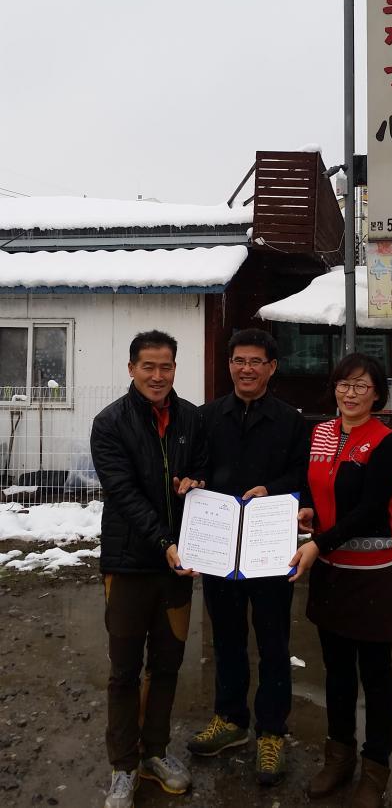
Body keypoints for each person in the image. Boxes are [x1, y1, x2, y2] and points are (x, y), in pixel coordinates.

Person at [184, 328, 309, 786]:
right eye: (239, 360)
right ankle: (231, 719)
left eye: (256, 361)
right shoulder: (207, 417)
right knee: (227, 639)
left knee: (273, 642)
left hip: (268, 548)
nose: (246, 369)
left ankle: (272, 731)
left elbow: (302, 475)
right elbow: (196, 467)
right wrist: (193, 482)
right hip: (219, 548)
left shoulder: (291, 421)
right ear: (229, 365)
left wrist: (271, 490)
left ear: (272, 368)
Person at [91, 330, 207, 808]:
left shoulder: (191, 418)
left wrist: (196, 481)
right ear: (132, 369)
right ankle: (123, 765)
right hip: (130, 564)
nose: (158, 376)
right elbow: (122, 493)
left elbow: (203, 469)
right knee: (124, 670)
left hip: (177, 565)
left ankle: (155, 751)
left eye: (166, 367)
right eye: (149, 367)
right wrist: (165, 542)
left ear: (175, 368)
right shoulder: (110, 423)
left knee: (167, 664)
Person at [289, 352, 392, 808]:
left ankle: (375, 769)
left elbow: (370, 510)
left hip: (373, 576)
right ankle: (337, 758)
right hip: (332, 573)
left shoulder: (386, 443)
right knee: (337, 672)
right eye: (344, 384)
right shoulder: (320, 433)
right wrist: (307, 509)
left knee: (376, 676)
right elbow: (315, 485)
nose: (351, 393)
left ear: (377, 395)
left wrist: (319, 542)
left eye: (361, 386)